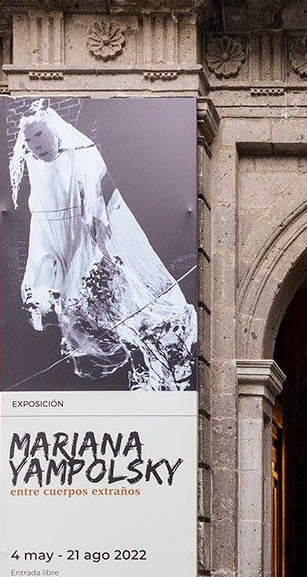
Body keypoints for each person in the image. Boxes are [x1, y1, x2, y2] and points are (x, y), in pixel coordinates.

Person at [10, 101, 194, 390]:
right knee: (75, 311)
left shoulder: (81, 154)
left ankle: (150, 358)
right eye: (30, 140)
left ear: (54, 130)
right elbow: (40, 218)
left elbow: (95, 201)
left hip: (86, 235)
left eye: (40, 135)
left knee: (112, 299)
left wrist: (98, 237)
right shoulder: (34, 166)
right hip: (57, 239)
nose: (37, 145)